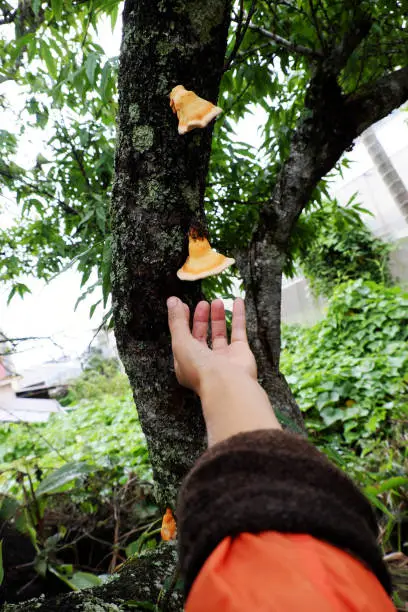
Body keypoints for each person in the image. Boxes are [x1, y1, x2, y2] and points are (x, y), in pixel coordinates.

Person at [166, 296, 395, 611]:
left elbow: (265, 551)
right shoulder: (340, 587)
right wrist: (225, 380)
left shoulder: (247, 591)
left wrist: (217, 378)